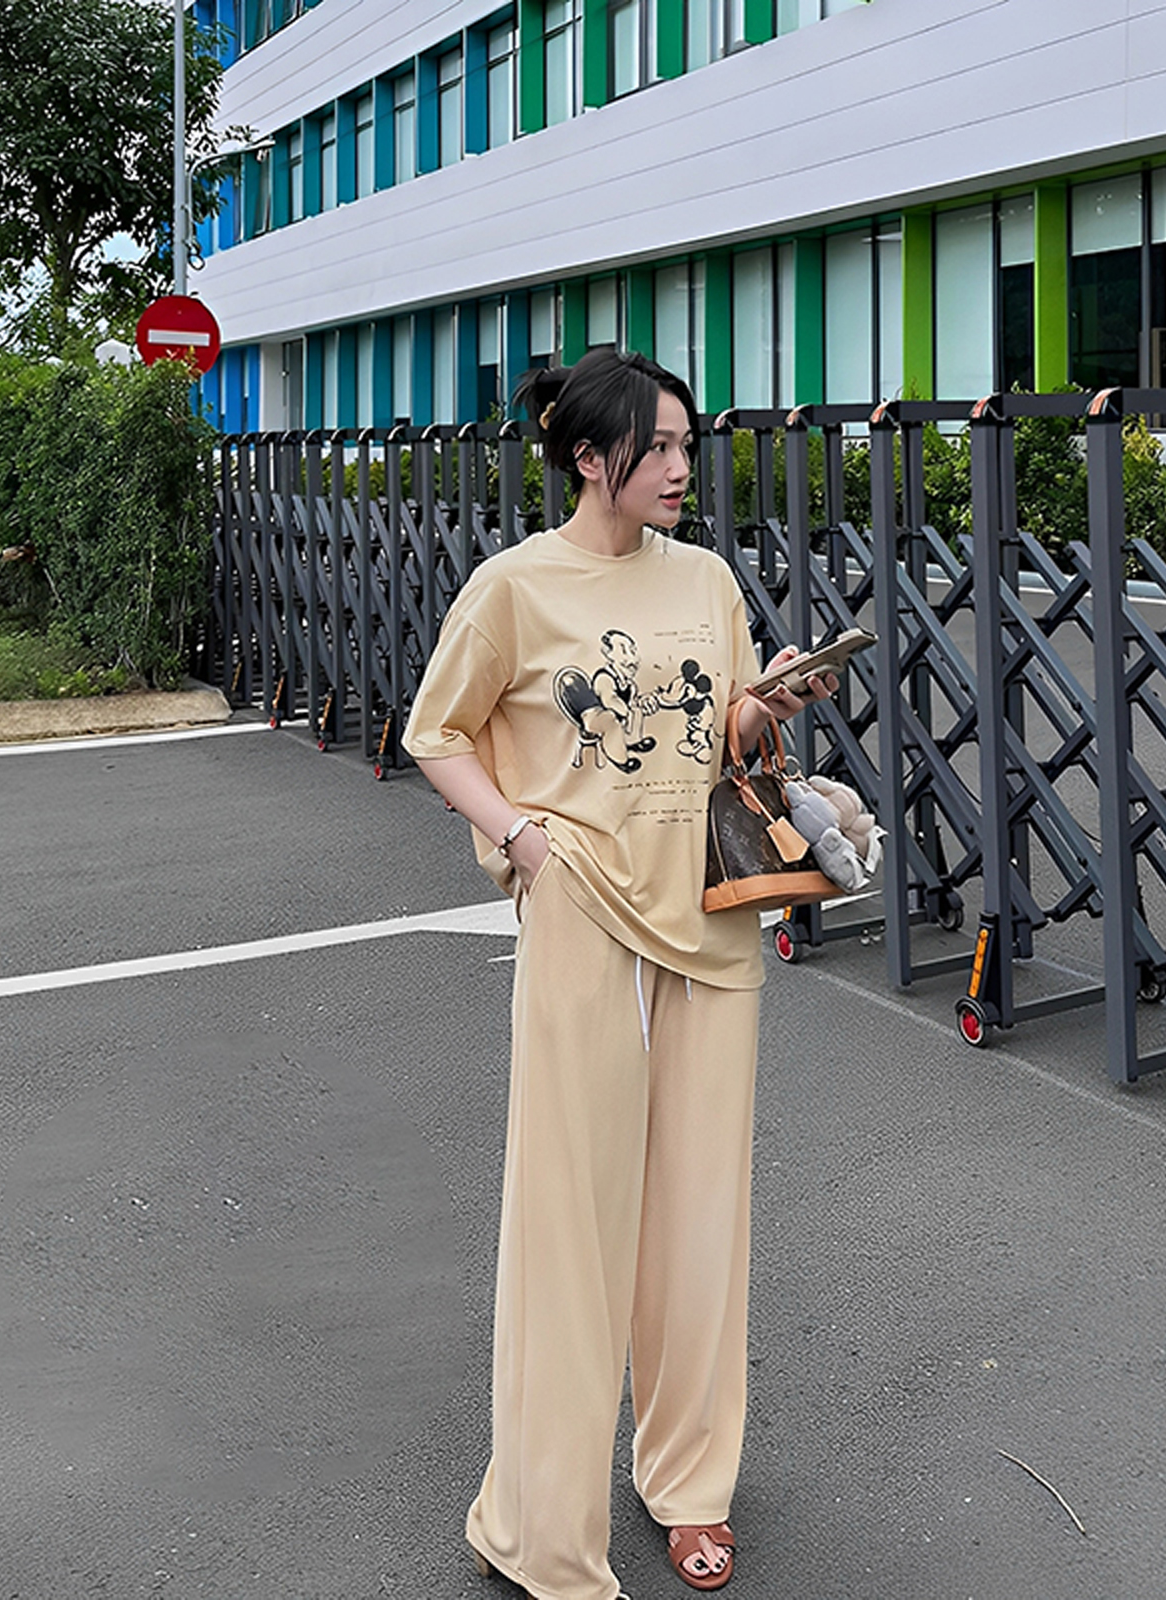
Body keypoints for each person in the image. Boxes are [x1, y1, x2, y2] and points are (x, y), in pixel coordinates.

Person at [403, 348, 834, 1600]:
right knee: (572, 1223)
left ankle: (690, 1484)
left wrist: (771, 706)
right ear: (590, 457)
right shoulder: (513, 587)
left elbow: (723, 731)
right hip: (585, 910)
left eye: (689, 447)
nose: (683, 468)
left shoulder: (704, 578)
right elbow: (437, 730)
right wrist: (521, 838)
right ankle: (542, 1526)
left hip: (708, 915)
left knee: (701, 1219)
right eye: (661, 448)